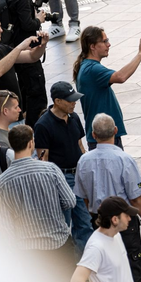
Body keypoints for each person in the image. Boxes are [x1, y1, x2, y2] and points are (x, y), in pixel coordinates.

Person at [74, 113, 141, 282]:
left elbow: (83, 197)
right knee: (134, 265)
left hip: (99, 221)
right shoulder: (124, 159)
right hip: (124, 222)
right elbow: (136, 197)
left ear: (92, 135)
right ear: (115, 132)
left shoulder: (84, 160)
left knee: (107, 270)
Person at [0, 124, 77, 278]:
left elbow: (5, 226)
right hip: (58, 243)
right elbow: (70, 201)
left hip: (29, 253)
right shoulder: (51, 169)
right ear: (31, 143)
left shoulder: (1, 182)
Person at [34, 81, 92, 255]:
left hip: (77, 175)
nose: (74, 103)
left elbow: (79, 145)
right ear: (57, 101)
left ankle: (86, 264)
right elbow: (43, 159)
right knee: (64, 225)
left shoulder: (73, 117)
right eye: (70, 100)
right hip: (60, 179)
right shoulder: (43, 125)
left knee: (84, 223)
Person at [73, 26, 141, 150]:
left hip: (103, 136)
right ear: (92, 46)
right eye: (104, 41)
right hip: (104, 138)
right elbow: (121, 77)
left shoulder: (86, 66)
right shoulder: (92, 69)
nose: (108, 44)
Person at [1, 0, 49, 127]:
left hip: (14, 49)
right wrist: (39, 19)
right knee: (36, 93)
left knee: (24, 91)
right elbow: (27, 24)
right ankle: (37, 132)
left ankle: (25, 129)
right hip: (26, 49)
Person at [0, 16, 48, 127]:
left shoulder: (2, 49)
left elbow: (32, 57)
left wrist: (41, 45)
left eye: (0, 26)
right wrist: (19, 47)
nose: (1, 30)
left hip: (15, 118)